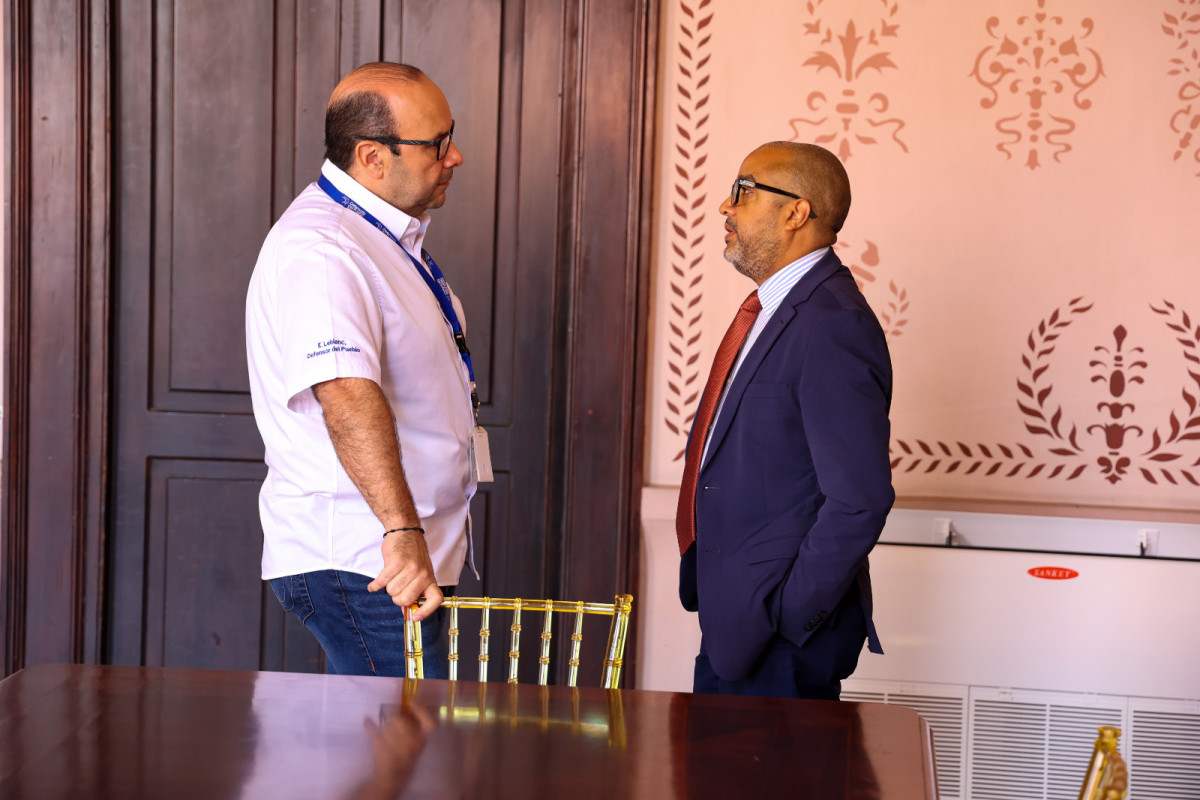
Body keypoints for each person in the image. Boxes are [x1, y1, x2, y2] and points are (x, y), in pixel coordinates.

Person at [246, 62, 484, 677]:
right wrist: (402, 531)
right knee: (406, 736)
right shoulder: (323, 249)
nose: (455, 156)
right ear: (372, 157)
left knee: (384, 735)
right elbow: (346, 395)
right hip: (369, 558)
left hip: (392, 554)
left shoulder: (380, 238)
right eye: (437, 144)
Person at [675, 141, 894, 700]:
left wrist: (790, 617)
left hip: (781, 644)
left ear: (796, 212)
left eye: (743, 191)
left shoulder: (832, 325)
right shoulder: (777, 311)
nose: (725, 206)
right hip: (736, 624)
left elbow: (859, 500)